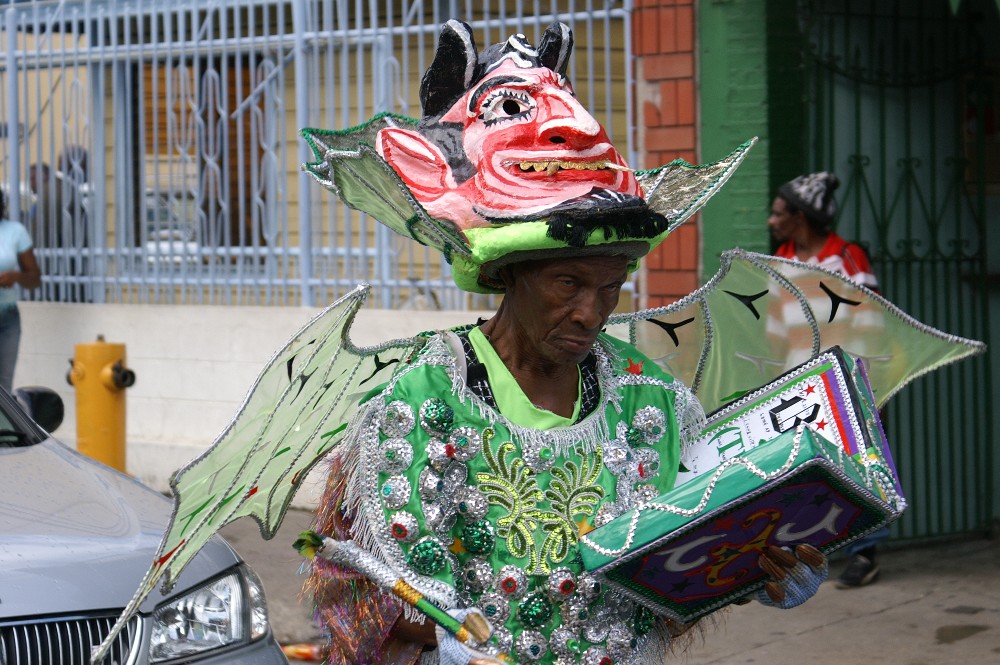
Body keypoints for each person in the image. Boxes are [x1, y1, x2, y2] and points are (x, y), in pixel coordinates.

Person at [303, 21, 829, 665]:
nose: (591, 312)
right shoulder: (419, 401)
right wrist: (439, 639)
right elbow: (354, 583)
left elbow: (680, 562)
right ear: (507, 275)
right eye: (568, 283)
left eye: (611, 287)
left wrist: (754, 569)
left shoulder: (652, 404)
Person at [768, 171, 887, 588]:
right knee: (804, 470)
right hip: (797, 385)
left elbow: (871, 326)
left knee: (858, 466)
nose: (771, 220)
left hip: (848, 383)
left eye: (779, 212)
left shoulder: (846, 259)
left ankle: (865, 552)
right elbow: (776, 332)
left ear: (800, 216)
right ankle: (810, 553)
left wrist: (873, 390)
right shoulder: (780, 260)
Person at [0, 189, 42, 393]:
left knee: (5, 387)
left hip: (7, 317)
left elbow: (34, 278)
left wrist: (15, 276)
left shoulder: (15, 231)